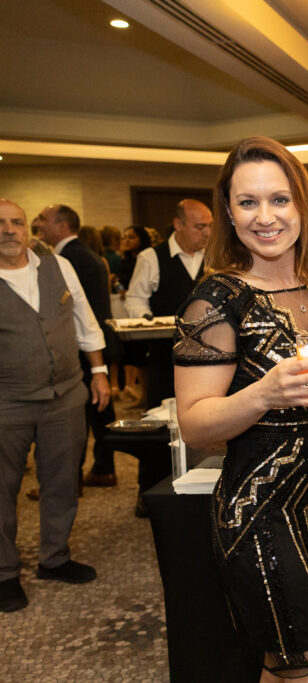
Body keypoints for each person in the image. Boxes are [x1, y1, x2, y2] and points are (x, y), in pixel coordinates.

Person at [174, 137, 308, 680]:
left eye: (279, 200)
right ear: (228, 212)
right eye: (248, 202)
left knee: (288, 666)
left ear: (303, 207)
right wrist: (262, 393)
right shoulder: (215, 300)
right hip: (263, 513)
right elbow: (194, 423)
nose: (265, 217)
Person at [0, 198, 109, 613]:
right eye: (1, 223)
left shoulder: (57, 266)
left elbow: (83, 316)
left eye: (17, 222)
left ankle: (55, 557)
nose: (9, 230)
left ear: (29, 228)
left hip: (66, 395)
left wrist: (98, 370)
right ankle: (4, 573)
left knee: (62, 480)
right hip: (6, 402)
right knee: (2, 489)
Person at [35, 205, 120, 488]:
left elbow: (75, 312)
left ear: (62, 226)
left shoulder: (67, 259)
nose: (37, 223)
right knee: (97, 411)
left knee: (83, 414)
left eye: (43, 219)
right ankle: (102, 467)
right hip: (92, 346)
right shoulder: (83, 254)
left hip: (84, 348)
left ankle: (74, 476)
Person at [126, 199, 210, 409]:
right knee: (163, 417)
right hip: (165, 357)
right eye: (200, 227)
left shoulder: (215, 257)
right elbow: (135, 299)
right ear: (178, 224)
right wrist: (146, 319)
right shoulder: (151, 257)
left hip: (209, 358)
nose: (207, 233)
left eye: (210, 226)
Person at [116, 225, 152, 403]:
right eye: (125, 237)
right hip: (128, 311)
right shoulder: (125, 260)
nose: (127, 241)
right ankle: (141, 394)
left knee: (144, 359)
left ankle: (145, 395)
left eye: (131, 237)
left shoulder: (148, 258)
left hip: (144, 315)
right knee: (134, 357)